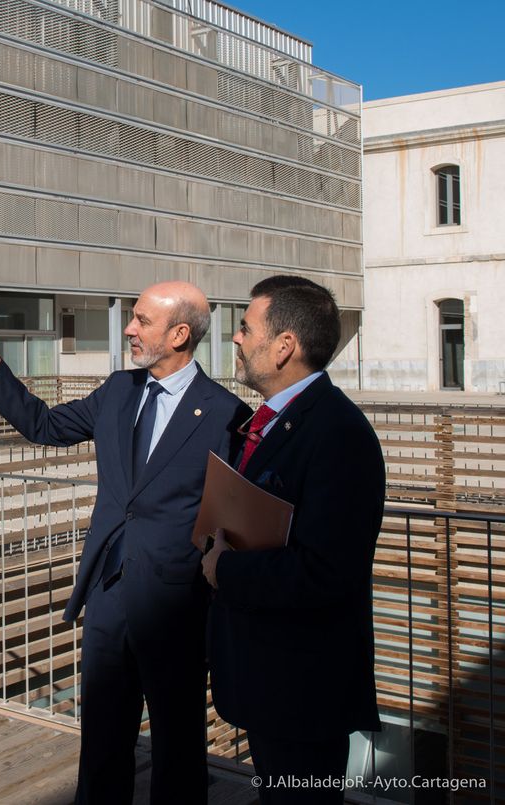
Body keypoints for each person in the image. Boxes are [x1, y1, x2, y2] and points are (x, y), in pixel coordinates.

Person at [0, 282, 250, 805]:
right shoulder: (119, 390)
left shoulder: (228, 414)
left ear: (180, 333)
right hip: (109, 593)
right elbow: (44, 426)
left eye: (141, 320)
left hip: (177, 603)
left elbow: (237, 517)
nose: (130, 329)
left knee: (177, 749)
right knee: (102, 744)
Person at [201, 276, 384, 804]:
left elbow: (326, 571)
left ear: (284, 346)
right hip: (267, 679)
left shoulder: (338, 433)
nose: (235, 339)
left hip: (305, 688)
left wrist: (223, 569)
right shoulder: (269, 422)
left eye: (245, 327)